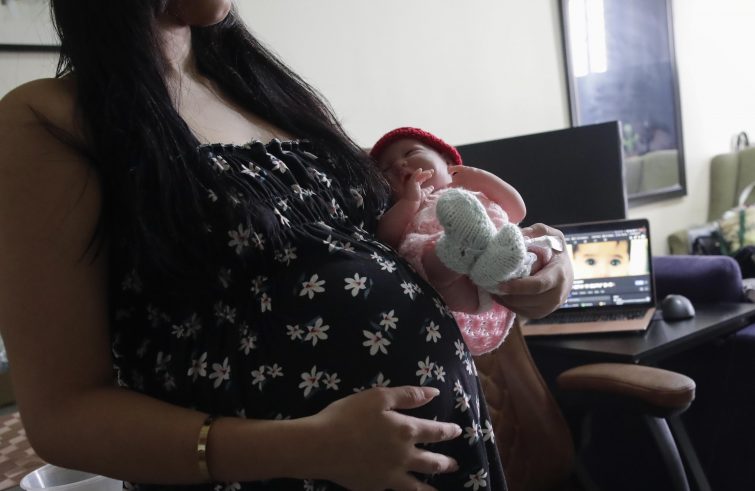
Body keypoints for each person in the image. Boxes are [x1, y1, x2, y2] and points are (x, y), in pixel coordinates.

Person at [0, 1, 573, 490]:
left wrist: (545, 264)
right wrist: (309, 447)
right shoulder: (49, 120)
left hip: (437, 453)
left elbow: (400, 234)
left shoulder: (270, 96)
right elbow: (63, 415)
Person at [371, 128, 555, 355]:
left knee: (535, 247)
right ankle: (458, 247)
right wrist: (409, 201)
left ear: (447, 161)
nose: (399, 165)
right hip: (458, 290)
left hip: (501, 264)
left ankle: (506, 266)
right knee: (422, 253)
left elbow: (517, 211)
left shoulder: (475, 191)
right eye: (386, 170)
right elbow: (386, 238)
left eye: (410, 153)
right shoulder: (407, 207)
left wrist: (480, 177)